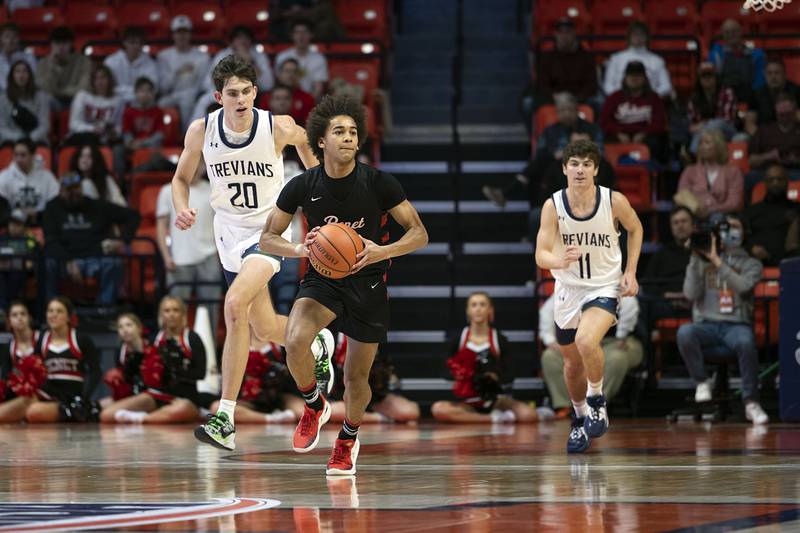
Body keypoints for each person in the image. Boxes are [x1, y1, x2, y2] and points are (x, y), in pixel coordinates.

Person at [171, 55, 333, 451]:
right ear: (218, 96)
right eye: (232, 93)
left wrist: (319, 191)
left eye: (246, 91)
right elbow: (179, 178)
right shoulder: (201, 131)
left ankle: (225, 415)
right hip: (227, 232)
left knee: (234, 304)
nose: (240, 99)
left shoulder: (276, 126)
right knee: (261, 327)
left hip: (268, 230)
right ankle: (317, 343)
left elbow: (308, 147)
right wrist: (181, 208)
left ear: (255, 93)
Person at [259, 94, 428, 475]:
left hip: (367, 283)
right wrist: (300, 248)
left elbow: (419, 233)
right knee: (296, 339)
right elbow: (267, 238)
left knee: (356, 378)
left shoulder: (379, 182)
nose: (349, 138)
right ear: (321, 140)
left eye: (353, 132)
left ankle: (348, 437)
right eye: (339, 131)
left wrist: (382, 251)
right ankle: (315, 404)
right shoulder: (302, 185)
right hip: (322, 280)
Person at [534, 139, 643, 453]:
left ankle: (597, 400)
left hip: (603, 286)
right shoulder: (553, 206)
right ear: (564, 168)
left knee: (585, 342)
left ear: (595, 169)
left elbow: (635, 229)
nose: (580, 169)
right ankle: (580, 417)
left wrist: (631, 271)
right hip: (568, 289)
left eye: (586, 164)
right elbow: (541, 254)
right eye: (574, 164)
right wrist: (559, 261)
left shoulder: (614, 201)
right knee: (571, 366)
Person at [677, 214, 769, 425]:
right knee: (684, 332)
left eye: (735, 227)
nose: (729, 232)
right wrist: (694, 257)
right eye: (724, 228)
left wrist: (718, 262)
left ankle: (751, 402)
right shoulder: (700, 261)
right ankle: (702, 382)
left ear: (744, 232)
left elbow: (743, 286)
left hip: (736, 325)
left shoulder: (751, 263)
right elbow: (690, 294)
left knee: (746, 342)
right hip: (706, 325)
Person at [431, 292, 537, 424]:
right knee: (438, 409)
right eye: (474, 305)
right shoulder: (458, 339)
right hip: (467, 402)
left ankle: (486, 417)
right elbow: (444, 370)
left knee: (529, 415)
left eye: (482, 304)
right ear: (468, 311)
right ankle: (493, 419)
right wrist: (466, 375)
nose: (478, 309)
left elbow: (511, 372)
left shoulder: (499, 339)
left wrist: (494, 377)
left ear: (490, 310)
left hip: (496, 400)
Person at [100, 296, 205, 424]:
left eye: (175, 310)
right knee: (107, 415)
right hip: (156, 394)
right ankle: (156, 416)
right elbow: (142, 370)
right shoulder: (154, 338)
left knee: (182, 409)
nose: (171, 314)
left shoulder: (192, 338)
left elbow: (201, 373)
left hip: (184, 396)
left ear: (183, 313)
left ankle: (143, 418)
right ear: (161, 314)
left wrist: (174, 371)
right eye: (167, 311)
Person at [42, 173, 140, 307]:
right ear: (61, 190)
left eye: (76, 188)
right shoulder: (52, 208)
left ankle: (104, 309)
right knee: (47, 263)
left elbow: (133, 216)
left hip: (94, 257)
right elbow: (50, 240)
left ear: (81, 188)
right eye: (68, 189)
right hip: (64, 259)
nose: (73, 192)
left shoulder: (96, 206)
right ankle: (52, 308)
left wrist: (123, 240)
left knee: (114, 263)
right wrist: (68, 261)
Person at [540, 294, 643, 416]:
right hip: (580, 342)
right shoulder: (574, 283)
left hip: (616, 341)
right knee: (550, 357)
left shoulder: (612, 281)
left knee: (616, 358)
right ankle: (567, 407)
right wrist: (549, 339)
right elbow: (548, 310)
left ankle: (596, 406)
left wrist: (622, 334)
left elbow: (630, 305)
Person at [156, 164, 221, 330]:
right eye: (193, 162)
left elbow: (220, 225)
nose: (196, 167)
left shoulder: (213, 189)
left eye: (200, 163)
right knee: (175, 311)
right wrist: (166, 257)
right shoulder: (167, 190)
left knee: (211, 310)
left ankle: (209, 352)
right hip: (179, 258)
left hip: (209, 256)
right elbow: (161, 227)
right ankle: (173, 347)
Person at [25, 297, 101, 423]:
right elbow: (33, 370)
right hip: (47, 394)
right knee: (24, 401)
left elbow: (95, 372)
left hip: (69, 398)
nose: (53, 315)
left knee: (34, 412)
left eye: (59, 311)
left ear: (69, 317)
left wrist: (83, 398)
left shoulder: (81, 339)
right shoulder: (43, 339)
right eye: (50, 311)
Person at [329, 333, 420, 424]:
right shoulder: (335, 336)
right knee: (333, 411)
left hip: (373, 395)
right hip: (342, 396)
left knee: (408, 411)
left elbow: (387, 372)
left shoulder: (375, 332)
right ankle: (377, 418)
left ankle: (361, 414)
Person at [525, 18, 598, 129]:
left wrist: (576, 98)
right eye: (561, 32)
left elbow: (591, 84)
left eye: (568, 32)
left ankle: (594, 136)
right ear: (556, 35)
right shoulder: (547, 57)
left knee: (599, 103)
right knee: (528, 103)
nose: (564, 36)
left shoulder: (586, 56)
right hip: (554, 96)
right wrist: (555, 96)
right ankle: (538, 139)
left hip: (579, 96)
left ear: (574, 34)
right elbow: (542, 83)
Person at [207, 341, 304, 424]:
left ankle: (280, 414)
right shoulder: (235, 342)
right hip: (248, 401)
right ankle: (273, 418)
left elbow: (291, 369)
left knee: (303, 412)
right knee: (217, 408)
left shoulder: (278, 342)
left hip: (279, 396)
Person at [637, 205, 693, 345]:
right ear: (671, 227)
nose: (680, 226)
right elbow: (647, 284)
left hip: (697, 304)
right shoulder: (662, 253)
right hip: (667, 305)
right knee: (638, 303)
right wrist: (669, 296)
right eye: (676, 223)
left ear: (693, 224)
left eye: (684, 221)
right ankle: (647, 354)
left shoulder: (703, 251)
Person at [600, 61, 667, 162]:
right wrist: (618, 133)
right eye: (631, 75)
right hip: (618, 135)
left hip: (647, 136)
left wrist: (644, 133)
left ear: (645, 78)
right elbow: (604, 121)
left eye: (638, 75)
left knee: (657, 143)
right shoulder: (614, 97)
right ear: (625, 78)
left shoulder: (654, 98)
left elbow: (660, 123)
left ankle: (652, 174)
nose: (634, 79)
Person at [675, 128, 744, 221]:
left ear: (718, 146)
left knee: (717, 217)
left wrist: (711, 210)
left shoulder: (733, 172)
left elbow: (734, 202)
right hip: (694, 214)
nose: (702, 146)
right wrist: (696, 208)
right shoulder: (690, 171)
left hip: (721, 215)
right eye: (700, 143)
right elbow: (682, 195)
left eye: (707, 143)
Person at [157, 15, 211, 132]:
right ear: (173, 35)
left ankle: (186, 136)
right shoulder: (164, 56)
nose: (181, 36)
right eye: (178, 32)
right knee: (160, 104)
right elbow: (163, 87)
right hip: (171, 95)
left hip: (192, 94)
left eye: (185, 32)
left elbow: (204, 84)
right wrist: (177, 73)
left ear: (190, 34)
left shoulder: (202, 57)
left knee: (188, 99)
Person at [742, 164, 800, 266]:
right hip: (755, 262)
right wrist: (751, 248)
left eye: (779, 179)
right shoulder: (751, 211)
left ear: (787, 181)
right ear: (765, 183)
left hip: (790, 261)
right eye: (771, 180)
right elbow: (739, 237)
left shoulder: (797, 209)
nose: (775, 183)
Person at [602, 22, 673, 99]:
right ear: (629, 36)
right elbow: (608, 85)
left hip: (648, 101)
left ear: (647, 37)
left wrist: (651, 97)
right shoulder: (616, 58)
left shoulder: (657, 60)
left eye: (641, 34)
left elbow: (666, 86)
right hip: (620, 101)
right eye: (635, 34)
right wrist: (619, 98)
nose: (638, 37)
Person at [113, 77, 165, 179]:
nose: (145, 94)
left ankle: (134, 175)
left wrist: (142, 143)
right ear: (136, 93)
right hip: (132, 145)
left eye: (148, 91)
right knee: (117, 149)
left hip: (151, 146)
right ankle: (120, 182)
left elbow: (159, 135)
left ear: (153, 94)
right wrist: (131, 142)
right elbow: (126, 132)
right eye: (142, 91)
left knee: (157, 159)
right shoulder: (129, 111)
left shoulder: (158, 111)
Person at [0, 138, 58, 224]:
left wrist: (38, 215)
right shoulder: (4, 176)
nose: (18, 159)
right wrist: (15, 216)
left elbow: (55, 205)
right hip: (13, 225)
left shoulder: (47, 177)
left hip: (42, 222)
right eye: (16, 155)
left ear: (33, 155)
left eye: (23, 155)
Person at [0, 301, 41, 423]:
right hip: (20, 397)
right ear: (9, 322)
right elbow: (6, 379)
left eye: (23, 314)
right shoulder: (8, 348)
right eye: (15, 315)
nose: (19, 318)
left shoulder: (42, 339)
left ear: (29, 318)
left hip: (41, 393)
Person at [708, 19, 766, 103]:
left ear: (741, 32)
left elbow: (759, 82)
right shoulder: (716, 56)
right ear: (722, 35)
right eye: (727, 32)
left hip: (750, 99)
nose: (731, 35)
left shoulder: (756, 55)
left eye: (734, 31)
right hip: (723, 100)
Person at [687, 62, 740, 153]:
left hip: (727, 130)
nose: (707, 79)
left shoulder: (727, 93)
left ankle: (694, 153)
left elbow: (727, 119)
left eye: (710, 75)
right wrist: (700, 126)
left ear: (716, 77)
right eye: (704, 76)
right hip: (702, 133)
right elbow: (692, 124)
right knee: (705, 131)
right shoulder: (694, 98)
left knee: (716, 124)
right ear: (699, 79)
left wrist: (704, 124)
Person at [35, 26, 91, 112]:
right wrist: (53, 67)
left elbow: (83, 88)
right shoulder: (43, 63)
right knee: (43, 99)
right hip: (53, 101)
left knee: (83, 99)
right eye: (57, 43)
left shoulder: (83, 61)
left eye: (64, 43)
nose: (61, 47)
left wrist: (59, 92)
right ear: (51, 44)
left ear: (71, 43)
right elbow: (43, 88)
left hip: (75, 100)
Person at [66, 65, 124, 146]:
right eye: (96, 79)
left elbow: (118, 126)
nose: (100, 82)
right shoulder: (82, 96)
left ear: (110, 80)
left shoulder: (118, 100)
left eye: (103, 78)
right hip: (82, 137)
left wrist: (115, 132)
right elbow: (73, 125)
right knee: (91, 139)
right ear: (92, 82)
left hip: (106, 139)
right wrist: (93, 129)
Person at [205, 27, 274, 93]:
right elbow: (208, 83)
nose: (243, 41)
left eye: (246, 38)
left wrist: (250, 62)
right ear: (232, 42)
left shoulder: (259, 56)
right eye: (239, 38)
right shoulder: (223, 55)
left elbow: (267, 85)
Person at [748, 93, 800, 181]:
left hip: (794, 171)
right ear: (776, 112)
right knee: (749, 178)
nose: (785, 118)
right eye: (781, 114)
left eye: (788, 114)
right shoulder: (764, 130)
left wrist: (796, 160)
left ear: (795, 111)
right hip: (767, 170)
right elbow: (751, 161)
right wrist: (768, 156)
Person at [275, 20, 328, 101]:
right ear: (292, 35)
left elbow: (318, 88)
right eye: (297, 32)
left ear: (311, 35)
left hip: (308, 100)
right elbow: (279, 83)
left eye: (305, 32)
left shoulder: (319, 59)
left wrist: (307, 104)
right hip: (284, 101)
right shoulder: (282, 57)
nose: (301, 36)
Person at [103, 26, 159, 103]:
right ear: (124, 43)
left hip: (140, 103)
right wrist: (136, 91)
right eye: (132, 42)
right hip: (115, 102)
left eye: (138, 43)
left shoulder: (150, 64)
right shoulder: (111, 61)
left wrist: (121, 91)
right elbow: (107, 88)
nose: (135, 46)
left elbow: (153, 88)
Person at [0, 60, 49, 145]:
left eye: (25, 71)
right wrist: (19, 139)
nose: (21, 75)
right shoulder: (3, 98)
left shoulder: (41, 96)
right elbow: (2, 128)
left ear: (30, 75)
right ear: (12, 76)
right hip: (11, 140)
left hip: (35, 139)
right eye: (17, 71)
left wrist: (29, 139)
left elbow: (44, 126)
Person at [745, 59, 800, 136]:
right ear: (764, 75)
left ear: (784, 74)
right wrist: (761, 137)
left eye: (777, 73)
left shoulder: (796, 91)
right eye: (769, 73)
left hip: (792, 135)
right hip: (764, 136)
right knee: (740, 138)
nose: (773, 77)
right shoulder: (756, 94)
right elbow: (749, 124)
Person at [102, 313, 146, 403]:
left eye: (129, 325)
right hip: (128, 394)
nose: (125, 330)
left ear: (139, 328)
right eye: (120, 327)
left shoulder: (150, 348)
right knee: (99, 406)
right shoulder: (120, 351)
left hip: (146, 393)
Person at [258, 59, 316, 126]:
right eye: (287, 71)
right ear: (279, 74)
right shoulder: (266, 97)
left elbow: (309, 126)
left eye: (295, 72)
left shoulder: (308, 99)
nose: (291, 75)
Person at [0, 209, 37, 309]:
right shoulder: (2, 238)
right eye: (11, 223)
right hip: (2, 271)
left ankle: (7, 308)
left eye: (17, 224)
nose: (13, 227)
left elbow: (30, 262)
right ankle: (2, 309)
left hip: (19, 271)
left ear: (24, 227)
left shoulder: (29, 240)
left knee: (15, 275)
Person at [0, 23, 36, 92]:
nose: (10, 41)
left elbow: (34, 81)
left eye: (14, 37)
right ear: (1, 39)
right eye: (7, 36)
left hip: (24, 94)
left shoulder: (29, 58)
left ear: (19, 39)